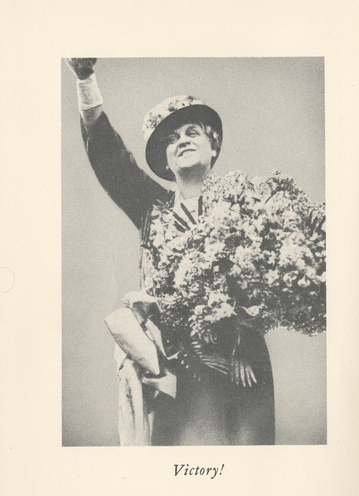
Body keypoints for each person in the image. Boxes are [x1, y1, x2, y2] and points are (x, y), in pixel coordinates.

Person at [66, 58, 275, 446]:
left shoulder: (246, 205)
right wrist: (85, 78)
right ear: (164, 162)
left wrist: (246, 337)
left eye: (191, 132)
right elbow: (108, 157)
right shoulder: (151, 208)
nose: (181, 140)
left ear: (213, 147)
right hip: (173, 370)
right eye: (171, 139)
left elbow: (271, 282)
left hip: (240, 363)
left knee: (246, 475)